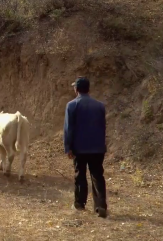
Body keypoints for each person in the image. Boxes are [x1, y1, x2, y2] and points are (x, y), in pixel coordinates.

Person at [63, 76, 108, 218]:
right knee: (97, 175)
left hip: (80, 148)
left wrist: (68, 147)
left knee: (80, 175)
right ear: (89, 89)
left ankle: (79, 204)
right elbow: (103, 127)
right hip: (97, 148)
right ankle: (101, 205)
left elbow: (68, 129)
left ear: (76, 89)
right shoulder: (100, 106)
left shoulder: (72, 105)